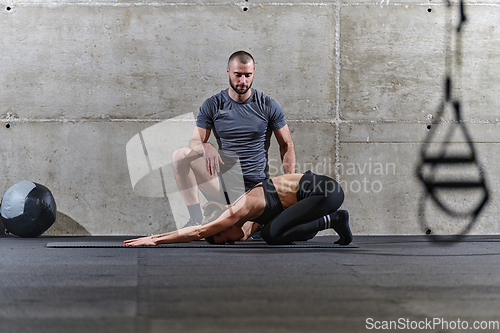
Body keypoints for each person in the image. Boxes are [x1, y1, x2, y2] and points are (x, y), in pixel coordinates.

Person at [171, 51, 296, 229]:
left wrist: (289, 184)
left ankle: (251, 218)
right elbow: (194, 142)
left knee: (254, 232)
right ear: (228, 71)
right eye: (238, 75)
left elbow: (287, 144)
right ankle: (196, 219)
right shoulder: (213, 105)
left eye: (248, 75)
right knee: (180, 155)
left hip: (256, 188)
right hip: (224, 186)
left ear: (254, 72)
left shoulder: (268, 105)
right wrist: (205, 145)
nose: (243, 81)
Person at [124, 171, 352, 247]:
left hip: (325, 192)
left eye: (224, 239)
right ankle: (334, 221)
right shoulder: (247, 218)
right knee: (274, 231)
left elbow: (199, 232)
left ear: (222, 226)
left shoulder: (237, 211)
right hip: (320, 195)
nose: (231, 242)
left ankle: (334, 219)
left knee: (271, 234)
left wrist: (155, 239)